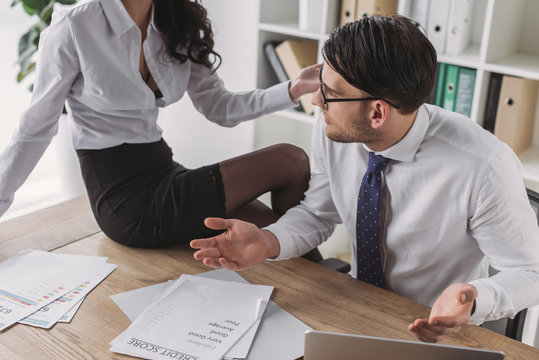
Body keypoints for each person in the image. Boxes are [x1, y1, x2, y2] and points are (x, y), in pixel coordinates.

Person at [190, 15, 539, 343]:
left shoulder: (482, 165)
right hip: (360, 308)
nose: (315, 100)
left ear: (377, 112)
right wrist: (268, 240)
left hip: (438, 333)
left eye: (329, 93)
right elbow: (318, 213)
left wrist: (477, 297)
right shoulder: (332, 129)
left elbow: (530, 272)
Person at [0, 0, 321, 247]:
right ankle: (332, 288)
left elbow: (221, 107)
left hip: (163, 170)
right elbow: (34, 130)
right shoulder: (74, 27)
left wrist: (292, 89)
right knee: (289, 160)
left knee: (271, 228)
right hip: (123, 196)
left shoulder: (175, 23)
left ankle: (329, 291)